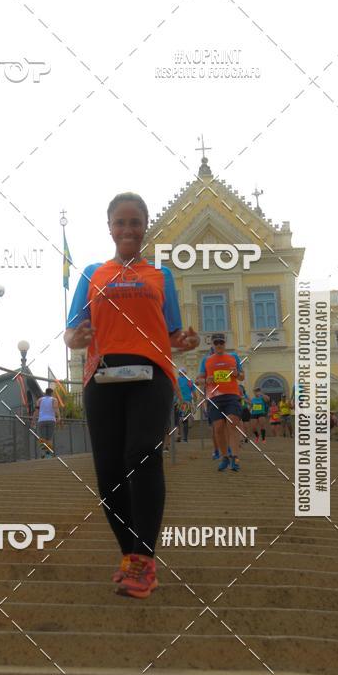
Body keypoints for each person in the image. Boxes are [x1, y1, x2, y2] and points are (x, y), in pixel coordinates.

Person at [64, 192, 200, 599]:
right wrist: (78, 337)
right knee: (108, 469)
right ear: (109, 228)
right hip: (101, 376)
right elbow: (72, 332)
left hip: (152, 373)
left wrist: (186, 340)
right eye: (120, 223)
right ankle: (131, 558)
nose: (127, 229)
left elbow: (174, 333)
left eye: (135, 222)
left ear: (145, 228)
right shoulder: (91, 274)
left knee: (141, 452)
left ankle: (144, 559)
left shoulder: (161, 276)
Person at [199, 333, 244, 472]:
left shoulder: (234, 357)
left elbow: (242, 377)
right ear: (212, 344)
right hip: (214, 397)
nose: (219, 345)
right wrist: (206, 380)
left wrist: (236, 373)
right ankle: (224, 457)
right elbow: (199, 379)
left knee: (232, 423)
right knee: (218, 428)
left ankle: (235, 458)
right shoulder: (206, 360)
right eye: (216, 342)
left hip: (231, 395)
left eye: (221, 342)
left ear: (225, 344)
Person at [32, 388, 60, 457]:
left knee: (43, 438)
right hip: (51, 420)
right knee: (49, 438)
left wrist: (33, 420)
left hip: (41, 420)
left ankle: (43, 454)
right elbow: (55, 408)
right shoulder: (54, 399)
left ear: (45, 393)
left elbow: (36, 411)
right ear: (51, 393)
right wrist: (59, 416)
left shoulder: (40, 400)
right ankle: (48, 455)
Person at [176, 368, 196, 442]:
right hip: (187, 402)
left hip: (177, 402)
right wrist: (195, 403)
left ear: (179, 373)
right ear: (185, 373)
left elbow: (175, 391)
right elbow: (194, 394)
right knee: (185, 421)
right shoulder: (189, 381)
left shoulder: (176, 381)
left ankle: (179, 434)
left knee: (177, 419)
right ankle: (185, 438)